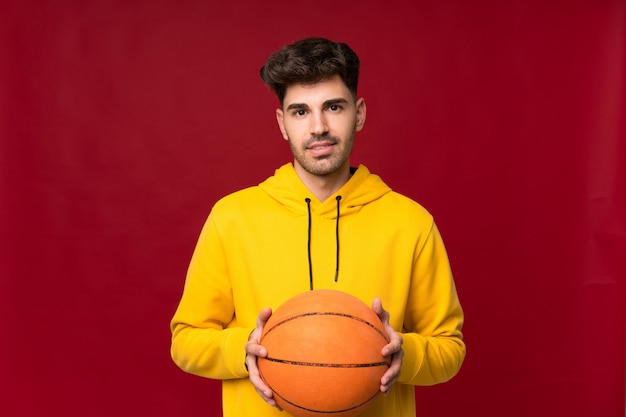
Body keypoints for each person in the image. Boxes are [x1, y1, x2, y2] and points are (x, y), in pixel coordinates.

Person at [170, 37, 465, 417]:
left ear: (358, 113)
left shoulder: (410, 222)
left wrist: (405, 354)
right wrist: (244, 349)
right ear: (282, 123)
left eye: (333, 107)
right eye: (300, 112)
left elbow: (450, 349)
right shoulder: (232, 217)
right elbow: (186, 341)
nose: (318, 127)